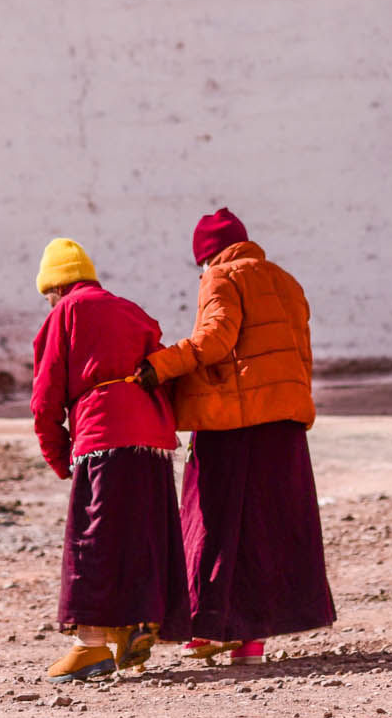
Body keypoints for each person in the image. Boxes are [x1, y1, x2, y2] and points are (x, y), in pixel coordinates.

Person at [145, 209, 336, 665]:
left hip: (232, 424)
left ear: (206, 255)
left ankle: (208, 628)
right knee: (264, 531)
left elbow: (215, 339)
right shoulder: (286, 282)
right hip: (284, 424)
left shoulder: (221, 277)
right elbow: (302, 357)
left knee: (211, 522)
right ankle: (251, 642)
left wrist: (160, 366)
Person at [29, 236, 191, 682]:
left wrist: (59, 457)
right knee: (142, 533)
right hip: (153, 437)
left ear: (57, 289)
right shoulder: (133, 311)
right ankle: (136, 624)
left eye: (47, 297)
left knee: (93, 540)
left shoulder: (66, 313)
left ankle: (89, 646)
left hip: (103, 433)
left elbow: (44, 400)